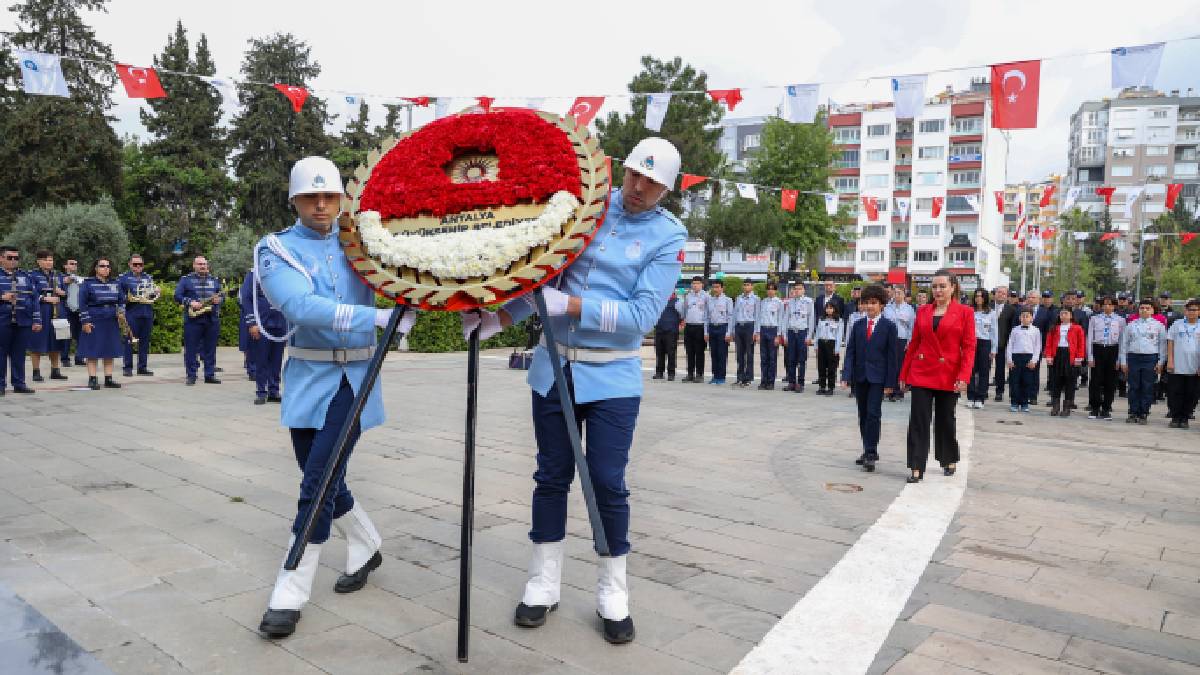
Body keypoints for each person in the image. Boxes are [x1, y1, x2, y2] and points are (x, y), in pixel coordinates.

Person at [464, 137, 684, 644]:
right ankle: (543, 582)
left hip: (612, 376)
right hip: (554, 367)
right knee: (551, 476)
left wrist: (574, 307)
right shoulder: (585, 209)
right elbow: (543, 280)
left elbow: (640, 317)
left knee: (607, 480)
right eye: (634, 174)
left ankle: (613, 590)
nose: (638, 186)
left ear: (666, 190)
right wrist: (497, 319)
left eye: (651, 182)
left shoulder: (668, 236)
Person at [256, 156, 418, 639]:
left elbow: (407, 272)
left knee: (318, 481)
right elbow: (299, 305)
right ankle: (367, 545)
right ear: (295, 200)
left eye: (329, 196)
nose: (322, 205)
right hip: (309, 376)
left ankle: (290, 588)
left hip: (357, 379)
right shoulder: (276, 248)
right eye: (311, 196)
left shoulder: (364, 242)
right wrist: (376, 317)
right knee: (322, 474)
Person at [899, 269, 975, 483]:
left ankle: (947, 457)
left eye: (942, 286)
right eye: (934, 286)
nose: (938, 290)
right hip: (922, 370)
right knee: (918, 420)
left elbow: (969, 347)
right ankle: (916, 465)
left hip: (949, 373)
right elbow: (914, 343)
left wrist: (964, 376)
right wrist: (904, 373)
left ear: (953, 287)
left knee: (945, 419)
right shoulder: (923, 311)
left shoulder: (965, 312)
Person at [840, 285, 898, 472]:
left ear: (882, 304)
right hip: (860, 376)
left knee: (873, 414)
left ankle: (871, 452)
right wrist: (846, 375)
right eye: (867, 303)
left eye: (874, 303)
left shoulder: (889, 326)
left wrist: (890, 383)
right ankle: (866, 449)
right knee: (863, 414)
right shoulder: (857, 325)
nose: (870, 306)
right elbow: (850, 352)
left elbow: (892, 357)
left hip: (878, 378)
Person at [78, 258, 125, 391]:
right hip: (94, 318)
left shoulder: (115, 283)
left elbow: (121, 300)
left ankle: (108, 378)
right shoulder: (88, 283)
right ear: (96, 268)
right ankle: (92, 379)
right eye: (102, 266)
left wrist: (121, 312)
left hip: (111, 319)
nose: (106, 268)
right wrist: (85, 321)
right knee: (92, 350)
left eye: (108, 266)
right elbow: (82, 304)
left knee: (109, 350)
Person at [175, 256, 223, 386]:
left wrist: (219, 300)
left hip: (211, 318)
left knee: (210, 349)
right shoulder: (186, 280)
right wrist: (190, 302)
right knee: (191, 349)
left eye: (204, 264)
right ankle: (191, 376)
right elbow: (177, 295)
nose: (203, 266)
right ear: (194, 265)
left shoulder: (214, 280)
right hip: (193, 319)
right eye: (200, 264)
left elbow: (221, 295)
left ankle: (209, 375)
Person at [0, 245, 42, 395]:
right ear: (1, 258)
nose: (13, 260)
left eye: (16, 258)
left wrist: (37, 320)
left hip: (23, 320)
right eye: (9, 257)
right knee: (1, 353)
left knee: (19, 354)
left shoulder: (25, 276)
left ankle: (19, 383)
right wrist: (2, 297)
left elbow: (34, 298)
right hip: (2, 321)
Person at [241, 269, 287, 405]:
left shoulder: (282, 273)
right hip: (262, 323)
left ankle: (274, 391)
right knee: (261, 360)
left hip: (280, 322)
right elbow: (246, 298)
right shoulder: (254, 274)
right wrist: (252, 323)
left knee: (277, 360)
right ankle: (261, 392)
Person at [1119, 298, 1168, 425]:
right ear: (1138, 310)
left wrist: (1161, 362)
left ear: (1152, 310)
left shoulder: (1159, 326)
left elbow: (1163, 346)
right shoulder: (1131, 325)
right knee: (1133, 386)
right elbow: (1124, 344)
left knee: (1147, 386)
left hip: (1150, 358)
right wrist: (1123, 361)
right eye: (1142, 308)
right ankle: (1133, 412)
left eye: (1147, 308)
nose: (1144, 310)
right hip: (1134, 358)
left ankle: (1143, 413)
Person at [28, 250, 68, 383]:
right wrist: (44, 298)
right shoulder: (32, 275)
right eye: (45, 260)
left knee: (57, 339)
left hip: (58, 310)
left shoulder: (58, 275)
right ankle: (36, 371)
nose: (49, 262)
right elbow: (30, 294)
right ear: (38, 261)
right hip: (41, 310)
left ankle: (55, 370)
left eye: (50, 260)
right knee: (37, 340)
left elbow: (65, 293)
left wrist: (62, 292)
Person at [117, 254, 156, 377]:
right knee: (129, 340)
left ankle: (142, 367)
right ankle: (127, 367)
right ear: (130, 264)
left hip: (146, 312)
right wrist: (126, 301)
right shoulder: (123, 278)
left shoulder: (148, 277)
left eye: (140, 264)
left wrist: (155, 293)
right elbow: (119, 296)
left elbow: (151, 295)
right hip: (131, 312)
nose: (138, 266)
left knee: (145, 341)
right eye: (135, 264)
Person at [1086, 296, 1125, 421]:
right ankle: (1094, 407)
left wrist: (1119, 359)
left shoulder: (1120, 320)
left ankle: (1106, 408)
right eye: (1105, 304)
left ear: (1114, 306)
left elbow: (1122, 340)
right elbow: (1090, 338)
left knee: (1110, 381)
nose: (1107, 306)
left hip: (1113, 349)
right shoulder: (1094, 319)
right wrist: (1090, 356)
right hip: (1098, 349)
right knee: (1095, 380)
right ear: (1102, 306)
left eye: (1110, 304)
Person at [1044, 308, 1086, 417]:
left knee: (1070, 382)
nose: (1063, 316)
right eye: (1061, 314)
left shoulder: (1077, 328)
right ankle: (1055, 406)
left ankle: (1067, 407)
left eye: (1066, 313)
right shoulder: (1054, 328)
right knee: (1056, 381)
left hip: (1070, 356)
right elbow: (1048, 343)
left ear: (1071, 316)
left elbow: (1081, 344)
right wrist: (1049, 356)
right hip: (1057, 354)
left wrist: (1079, 357)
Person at [1165, 299, 1199, 429]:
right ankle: (1175, 417)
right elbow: (1170, 342)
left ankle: (1185, 418)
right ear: (1185, 311)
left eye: (1195, 310)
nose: (1192, 312)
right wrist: (1170, 360)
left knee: (1191, 394)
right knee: (1175, 392)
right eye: (1189, 310)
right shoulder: (1177, 324)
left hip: (1194, 366)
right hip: (1177, 365)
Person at [965, 289, 998, 409]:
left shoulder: (991, 313)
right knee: (971, 371)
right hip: (971, 342)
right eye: (977, 296)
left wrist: (993, 349)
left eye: (981, 296)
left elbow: (994, 331)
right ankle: (971, 396)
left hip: (985, 342)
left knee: (984, 371)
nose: (978, 298)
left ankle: (980, 397)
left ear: (985, 298)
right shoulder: (969, 311)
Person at [882, 284, 915, 402]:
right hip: (888, 339)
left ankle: (898, 391)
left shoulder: (909, 309)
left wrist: (909, 342)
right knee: (889, 364)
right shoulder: (887, 308)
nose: (897, 295)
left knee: (899, 365)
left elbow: (912, 327)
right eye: (895, 293)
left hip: (902, 339)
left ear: (904, 294)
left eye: (899, 293)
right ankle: (888, 389)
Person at [1006, 308, 1041, 413]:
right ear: (1020, 318)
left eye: (1027, 316)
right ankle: (1014, 403)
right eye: (1023, 316)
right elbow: (1010, 345)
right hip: (1016, 357)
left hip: (1028, 358)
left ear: (1032, 318)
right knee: (1015, 381)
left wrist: (1034, 360)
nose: (1025, 318)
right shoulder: (1015, 330)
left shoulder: (1036, 330)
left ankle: (1025, 403)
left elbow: (1037, 347)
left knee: (1027, 382)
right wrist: (1009, 359)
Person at [781, 283, 814, 392]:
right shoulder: (790, 302)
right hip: (791, 332)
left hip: (802, 332)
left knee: (801, 359)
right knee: (790, 359)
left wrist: (809, 336)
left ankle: (800, 383)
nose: (797, 291)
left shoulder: (808, 302)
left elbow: (811, 319)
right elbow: (786, 318)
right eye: (795, 289)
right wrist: (784, 335)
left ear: (804, 290)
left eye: (800, 289)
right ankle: (791, 382)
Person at [677, 276, 708, 383]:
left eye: (697, 283)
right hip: (689, 326)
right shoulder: (688, 296)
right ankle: (690, 374)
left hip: (700, 326)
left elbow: (708, 313)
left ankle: (699, 374)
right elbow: (684, 310)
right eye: (693, 283)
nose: (695, 285)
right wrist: (682, 320)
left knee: (699, 352)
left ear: (702, 285)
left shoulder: (706, 296)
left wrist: (706, 330)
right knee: (689, 351)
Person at [754, 282, 783, 390]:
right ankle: (763, 381)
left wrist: (778, 335)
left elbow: (780, 319)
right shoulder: (763, 302)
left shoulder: (779, 302)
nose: (770, 291)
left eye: (772, 289)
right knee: (763, 358)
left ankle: (771, 382)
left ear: (775, 290)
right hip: (763, 330)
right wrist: (757, 333)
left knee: (772, 358)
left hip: (773, 330)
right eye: (769, 289)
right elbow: (758, 317)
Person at [705, 279, 732, 385]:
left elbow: (730, 317)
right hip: (712, 328)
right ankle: (715, 376)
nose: (715, 289)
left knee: (722, 353)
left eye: (717, 287)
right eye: (714, 287)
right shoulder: (710, 300)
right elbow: (706, 317)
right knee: (713, 353)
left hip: (722, 328)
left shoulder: (727, 300)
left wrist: (728, 332)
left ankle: (721, 377)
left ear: (722, 288)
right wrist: (706, 332)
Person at [733, 280, 759, 387]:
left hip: (749, 326)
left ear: (752, 287)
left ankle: (748, 378)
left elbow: (757, 316)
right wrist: (733, 330)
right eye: (744, 285)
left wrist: (756, 331)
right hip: (739, 326)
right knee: (739, 354)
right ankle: (740, 377)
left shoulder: (756, 299)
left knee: (749, 353)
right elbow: (734, 314)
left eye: (748, 285)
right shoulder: (739, 298)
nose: (746, 287)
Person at [813, 301, 842, 395]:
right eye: (827, 308)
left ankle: (830, 387)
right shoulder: (821, 319)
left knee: (831, 367)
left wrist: (837, 349)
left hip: (831, 344)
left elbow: (839, 336)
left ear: (834, 309)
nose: (829, 310)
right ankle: (822, 386)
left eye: (831, 308)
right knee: (821, 366)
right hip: (822, 343)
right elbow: (817, 333)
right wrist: (816, 345)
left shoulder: (838, 320)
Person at [991, 286, 1014, 402]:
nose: (1001, 295)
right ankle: (982, 390)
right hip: (987, 343)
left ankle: (999, 392)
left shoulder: (1011, 310)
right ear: (995, 294)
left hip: (1002, 344)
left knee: (1000, 369)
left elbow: (1012, 328)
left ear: (1006, 296)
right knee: (984, 368)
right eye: (999, 292)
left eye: (1003, 293)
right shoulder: (987, 307)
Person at [60, 258, 84, 367]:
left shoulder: (80, 279)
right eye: (71, 263)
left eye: (76, 264)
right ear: (65, 266)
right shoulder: (60, 278)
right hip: (66, 309)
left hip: (78, 310)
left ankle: (79, 358)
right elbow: (58, 289)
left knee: (80, 335)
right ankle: (65, 358)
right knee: (66, 335)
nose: (74, 265)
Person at [652, 291, 680, 381]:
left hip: (671, 331)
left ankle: (671, 373)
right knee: (659, 352)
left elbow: (682, 315)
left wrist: (677, 324)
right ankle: (659, 372)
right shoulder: (659, 301)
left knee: (671, 353)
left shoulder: (677, 302)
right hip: (659, 330)